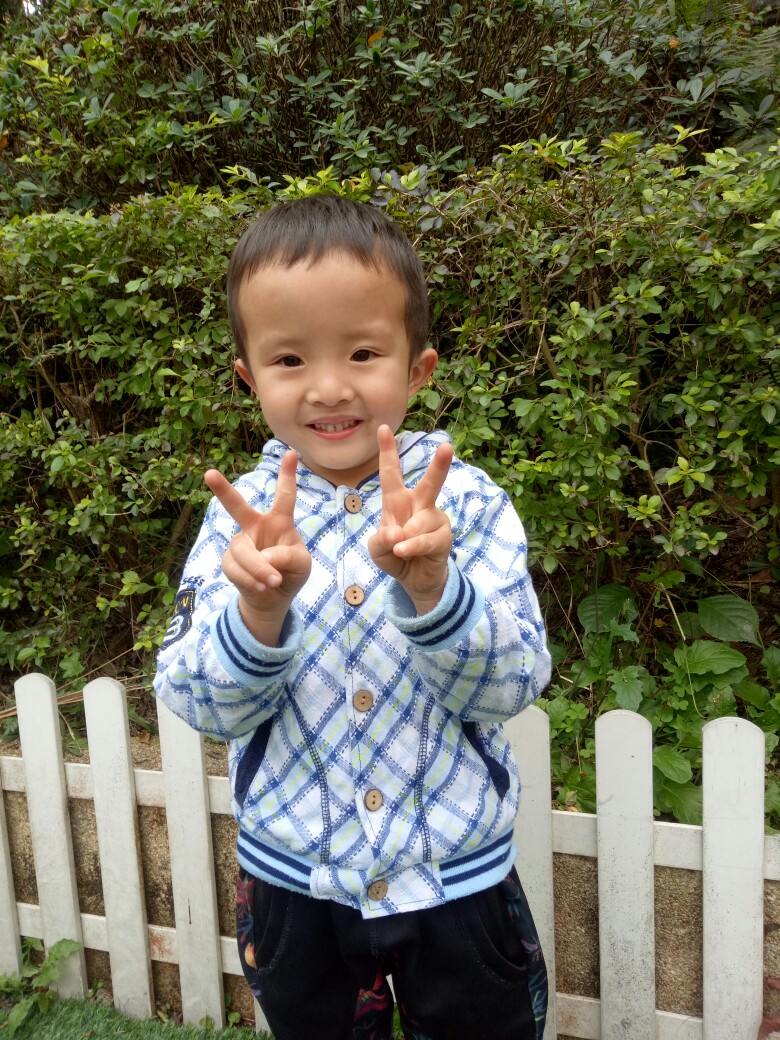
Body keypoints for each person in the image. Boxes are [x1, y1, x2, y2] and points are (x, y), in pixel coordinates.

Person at [154, 194, 552, 1040]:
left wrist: (436, 591)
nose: (330, 387)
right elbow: (198, 703)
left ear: (418, 368)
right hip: (295, 885)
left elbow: (514, 684)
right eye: (289, 358)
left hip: (457, 881)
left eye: (364, 352)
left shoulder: (469, 505)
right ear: (249, 377)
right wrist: (258, 612)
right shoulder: (239, 523)